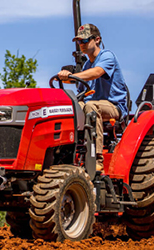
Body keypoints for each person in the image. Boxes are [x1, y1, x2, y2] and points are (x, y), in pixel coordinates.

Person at [58, 23, 128, 172]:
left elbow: (97, 72)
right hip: (93, 104)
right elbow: (82, 92)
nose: (81, 44)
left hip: (113, 106)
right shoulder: (86, 66)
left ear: (97, 39)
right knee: (71, 109)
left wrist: (72, 76)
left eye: (85, 40)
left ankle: (96, 160)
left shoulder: (107, 56)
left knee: (90, 107)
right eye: (79, 41)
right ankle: (63, 155)